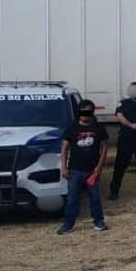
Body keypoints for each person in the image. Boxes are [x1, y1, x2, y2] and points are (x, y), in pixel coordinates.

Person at [57, 99, 109, 235]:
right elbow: (64, 148)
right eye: (84, 112)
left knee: (95, 198)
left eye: (89, 111)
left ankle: (99, 221)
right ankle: (68, 225)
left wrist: (99, 167)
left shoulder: (99, 128)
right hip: (75, 170)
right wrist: (64, 167)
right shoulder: (72, 128)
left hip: (93, 171)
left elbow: (104, 148)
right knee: (72, 199)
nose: (86, 115)